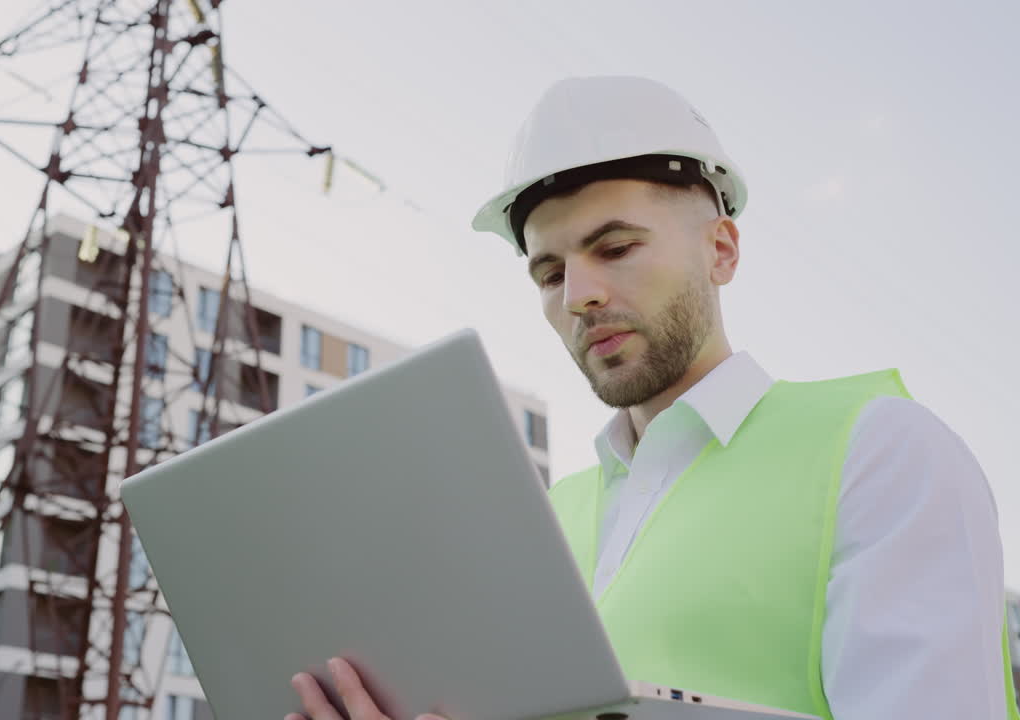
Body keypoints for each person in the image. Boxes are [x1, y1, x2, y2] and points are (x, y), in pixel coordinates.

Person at [288, 76, 1018, 720]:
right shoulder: (546, 519)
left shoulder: (881, 454)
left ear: (721, 251)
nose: (580, 296)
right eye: (548, 273)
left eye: (615, 248)